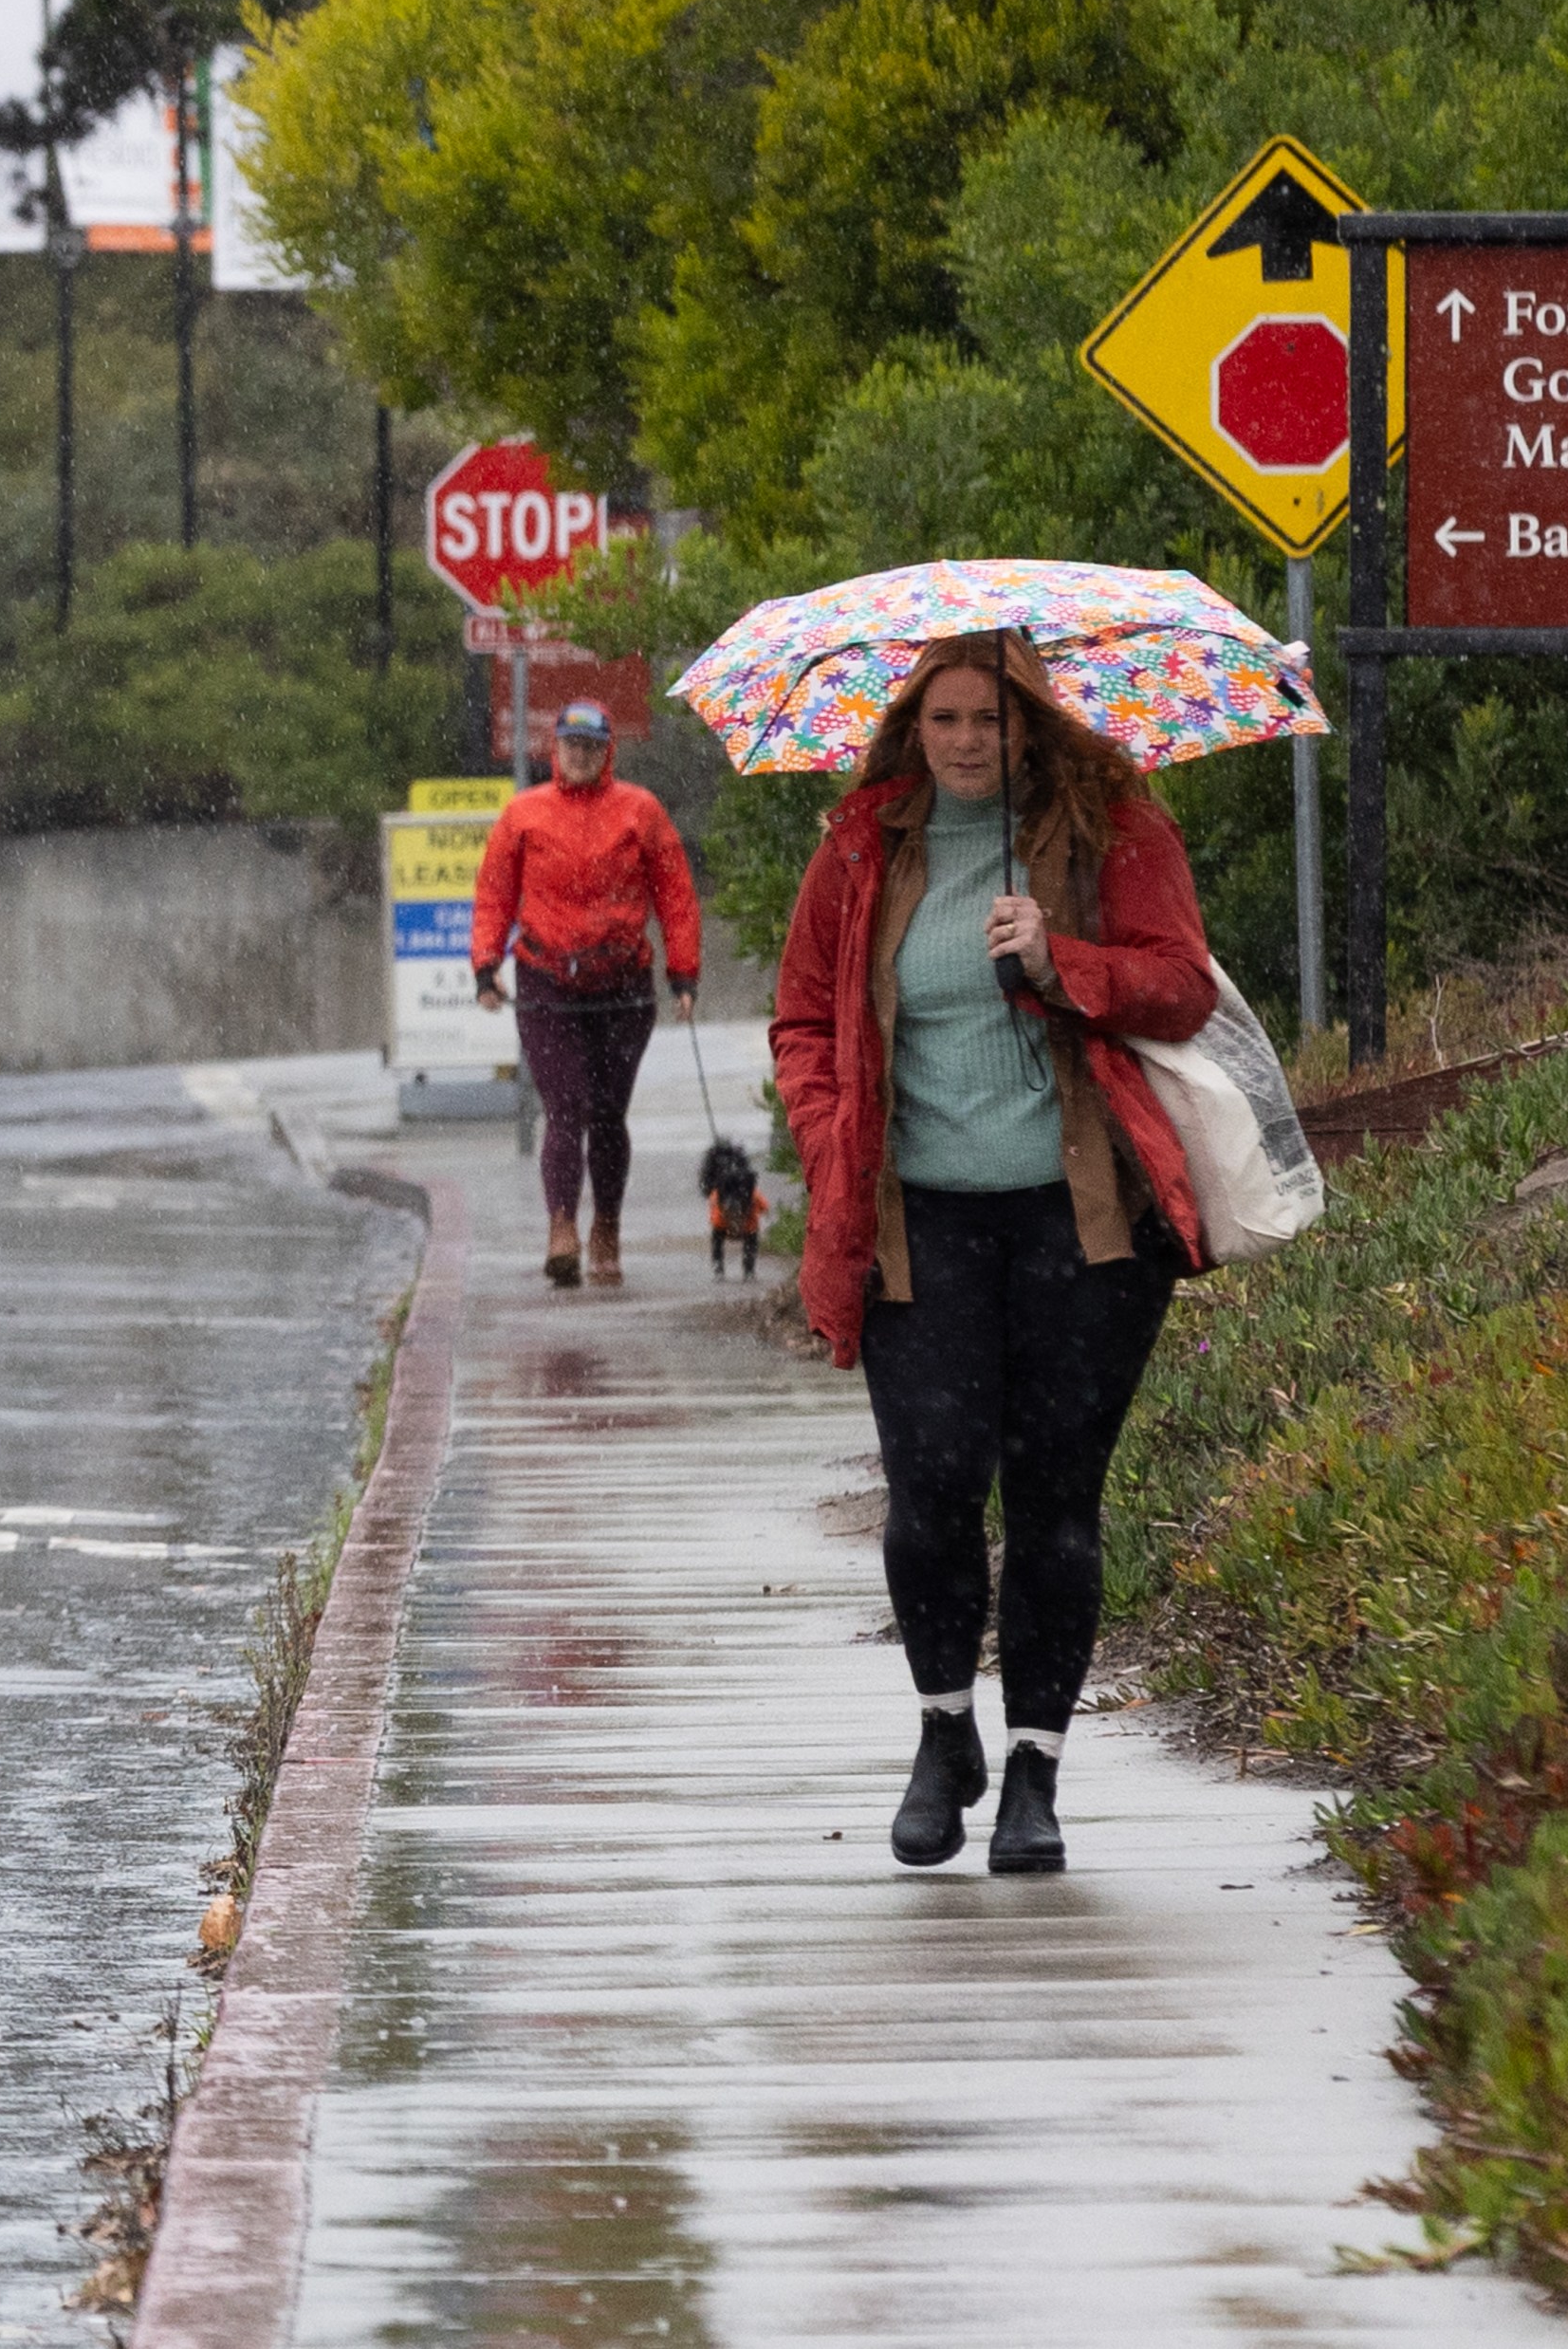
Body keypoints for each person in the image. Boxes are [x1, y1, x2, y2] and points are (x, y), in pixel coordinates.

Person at [769, 632, 1213, 1875]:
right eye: (946, 718)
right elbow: (804, 1009)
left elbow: (1183, 988)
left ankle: (1036, 1771)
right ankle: (943, 1734)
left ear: (1035, 726)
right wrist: (829, 1130)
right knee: (932, 1491)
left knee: (1057, 1500)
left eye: (993, 719)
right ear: (913, 726)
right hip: (921, 1224)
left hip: (1085, 1229)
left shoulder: (1113, 827)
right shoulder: (865, 842)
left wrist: (1059, 961)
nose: (969, 740)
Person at [471, 699, 704, 1287]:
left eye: (592, 745)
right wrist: (485, 964)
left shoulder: (640, 811)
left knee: (607, 1114)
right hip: (547, 980)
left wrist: (683, 972)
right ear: (556, 748)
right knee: (564, 1107)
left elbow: (675, 891)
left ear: (608, 750)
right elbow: (495, 892)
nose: (580, 755)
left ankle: (607, 1225)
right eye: (571, 744)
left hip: (622, 986)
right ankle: (560, 1228)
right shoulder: (524, 814)